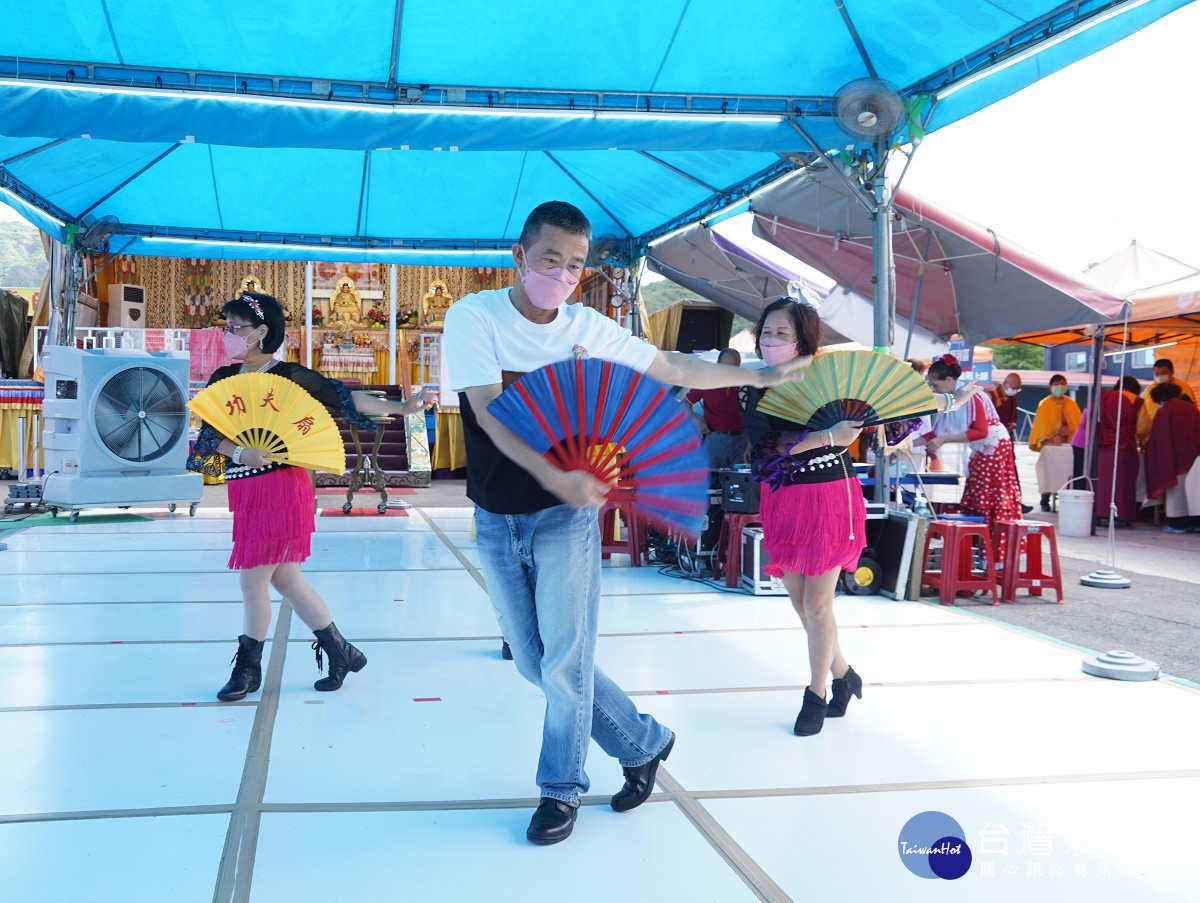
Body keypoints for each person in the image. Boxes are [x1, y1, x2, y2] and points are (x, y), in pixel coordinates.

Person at [442, 201, 809, 845]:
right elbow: (491, 411)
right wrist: (556, 472)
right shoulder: (474, 317)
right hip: (497, 514)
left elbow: (669, 367)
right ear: (519, 258)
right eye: (550, 259)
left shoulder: (587, 327)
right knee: (534, 663)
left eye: (575, 265)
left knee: (564, 661)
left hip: (568, 515)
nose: (562, 274)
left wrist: (757, 371)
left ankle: (561, 788)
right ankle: (643, 741)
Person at [188, 292, 436, 702]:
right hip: (245, 487)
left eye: (235, 328)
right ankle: (342, 652)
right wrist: (239, 452)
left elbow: (345, 397)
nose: (228, 335)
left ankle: (248, 670)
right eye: (226, 328)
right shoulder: (222, 381)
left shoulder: (290, 376)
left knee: (253, 582)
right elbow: (210, 442)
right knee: (286, 578)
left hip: (284, 486)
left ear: (261, 332)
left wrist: (404, 407)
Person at [743, 309, 979, 738]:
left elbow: (896, 405)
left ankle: (817, 693)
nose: (772, 339)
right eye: (768, 332)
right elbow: (765, 450)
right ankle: (847, 676)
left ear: (803, 340)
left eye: (783, 332)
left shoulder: (830, 376)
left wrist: (949, 401)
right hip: (784, 497)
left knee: (817, 604)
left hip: (831, 496)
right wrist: (827, 437)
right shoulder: (756, 387)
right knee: (800, 603)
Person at [917, 354, 1020, 529]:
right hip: (980, 450)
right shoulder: (952, 400)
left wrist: (944, 439)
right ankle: (981, 541)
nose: (934, 389)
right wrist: (903, 445)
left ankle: (992, 542)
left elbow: (980, 431)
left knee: (988, 496)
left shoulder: (970, 394)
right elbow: (934, 433)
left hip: (992, 449)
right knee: (977, 493)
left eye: (935, 384)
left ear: (949, 380)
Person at [1144, 381, 1200, 533]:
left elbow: (1159, 440)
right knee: (1196, 492)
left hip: (1175, 460)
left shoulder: (1165, 412)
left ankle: (1178, 524)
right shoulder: (1192, 408)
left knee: (1177, 494)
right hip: (1195, 457)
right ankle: (1196, 522)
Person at [684, 348, 749, 469]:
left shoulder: (746, 384)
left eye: (733, 368)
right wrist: (696, 420)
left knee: (740, 484)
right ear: (717, 365)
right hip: (715, 440)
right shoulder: (707, 382)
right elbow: (684, 403)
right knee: (712, 481)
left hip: (742, 441)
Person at [1028, 374, 1081, 511]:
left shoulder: (1071, 403)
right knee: (1048, 471)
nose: (1060, 386)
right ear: (1051, 386)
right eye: (1057, 384)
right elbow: (1041, 426)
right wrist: (1052, 435)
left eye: (1063, 383)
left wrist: (1069, 430)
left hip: (1067, 444)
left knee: (1066, 471)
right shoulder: (1045, 404)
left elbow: (1077, 423)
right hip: (1050, 445)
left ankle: (1064, 495)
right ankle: (1045, 498)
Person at [1095, 375, 1141, 528]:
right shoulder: (1135, 400)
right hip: (1124, 446)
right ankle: (1122, 516)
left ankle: (1099, 513)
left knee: (1102, 481)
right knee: (1123, 482)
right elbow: (1144, 426)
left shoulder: (1103, 397)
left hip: (1104, 445)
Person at [987, 372, 1032, 512]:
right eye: (1013, 387)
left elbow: (1013, 416)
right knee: (993, 472)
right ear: (1005, 383)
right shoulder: (990, 396)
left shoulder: (1013, 398)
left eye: (1018, 388)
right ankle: (993, 502)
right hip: (991, 441)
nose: (1014, 390)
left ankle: (1015, 502)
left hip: (1007, 438)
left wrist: (1013, 424)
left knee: (1010, 470)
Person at [1137, 358, 1196, 446]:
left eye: (1163, 373)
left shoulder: (1183, 388)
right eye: (1156, 373)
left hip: (1177, 432)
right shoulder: (1149, 390)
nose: (1159, 376)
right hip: (1154, 432)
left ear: (1171, 372)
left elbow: (1192, 411)